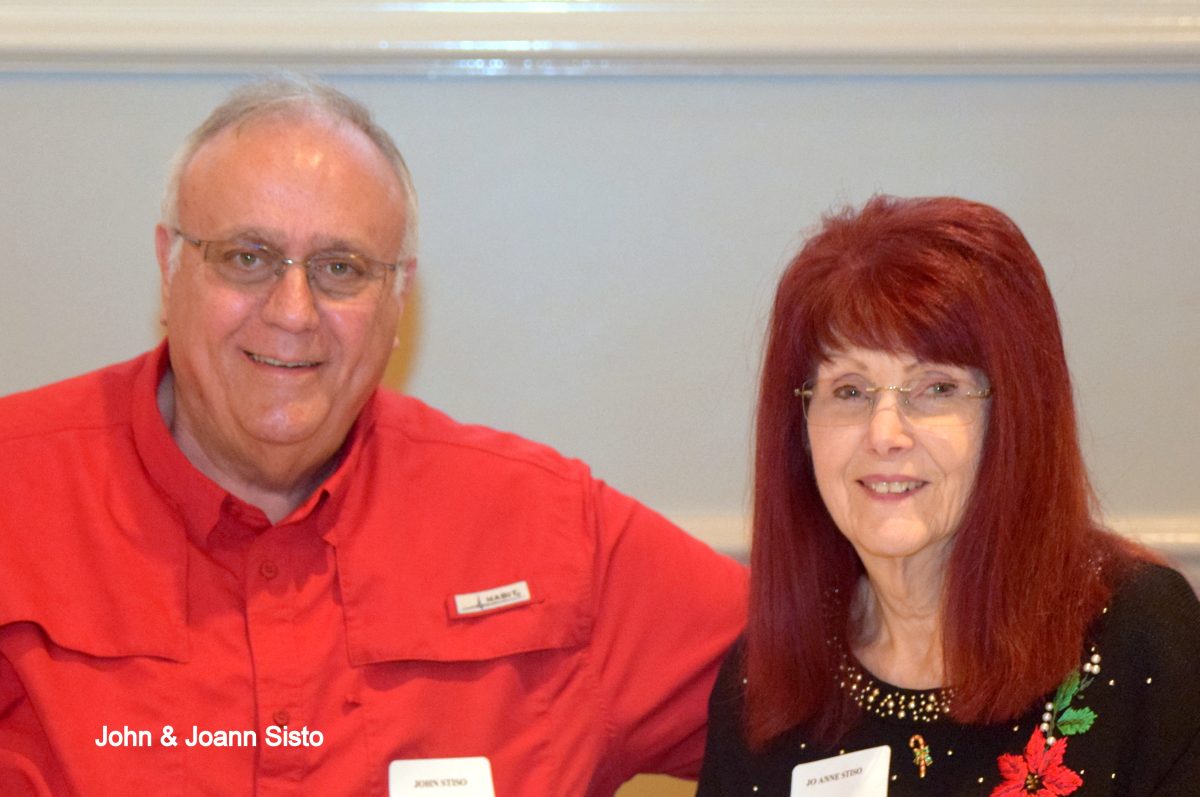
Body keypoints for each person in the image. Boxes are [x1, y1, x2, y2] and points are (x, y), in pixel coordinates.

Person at [0, 75, 747, 797]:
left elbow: (810, 685)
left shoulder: (549, 532)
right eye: (247, 258)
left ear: (397, 298)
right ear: (169, 268)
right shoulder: (17, 491)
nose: (293, 311)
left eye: (341, 268)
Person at [697, 195, 1200, 796]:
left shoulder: (1139, 635)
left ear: (1014, 416)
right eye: (850, 391)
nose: (884, 434)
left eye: (936, 387)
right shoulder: (766, 682)